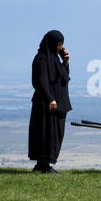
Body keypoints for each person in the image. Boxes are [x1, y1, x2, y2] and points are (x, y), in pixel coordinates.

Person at [28, 30, 72, 174]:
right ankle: (43, 166)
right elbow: (40, 82)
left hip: (58, 105)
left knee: (55, 135)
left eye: (62, 44)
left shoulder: (54, 60)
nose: (60, 47)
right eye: (58, 44)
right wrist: (50, 99)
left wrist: (65, 62)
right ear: (51, 43)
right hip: (46, 104)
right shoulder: (42, 59)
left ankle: (45, 165)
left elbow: (63, 77)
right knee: (45, 134)